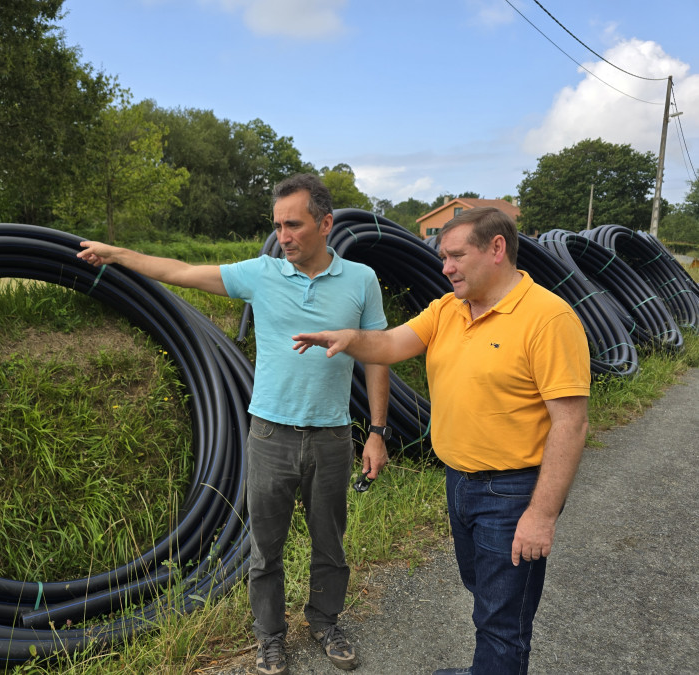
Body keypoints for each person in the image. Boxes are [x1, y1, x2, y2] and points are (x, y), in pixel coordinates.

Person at [77, 173, 391, 674]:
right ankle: (270, 637)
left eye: (294, 225)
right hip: (270, 436)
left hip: (333, 436)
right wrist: (118, 254)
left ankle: (326, 622)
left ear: (326, 223)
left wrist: (376, 432)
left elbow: (379, 357)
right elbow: (180, 271)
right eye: (277, 226)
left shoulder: (361, 281)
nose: (283, 236)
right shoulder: (261, 274)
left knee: (330, 544)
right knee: (265, 549)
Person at [293, 207, 590, 675]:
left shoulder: (548, 318)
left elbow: (571, 424)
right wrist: (348, 337)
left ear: (496, 250)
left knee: (503, 619)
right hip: (460, 482)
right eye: (442, 257)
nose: (445, 266)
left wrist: (542, 514)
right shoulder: (448, 310)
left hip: (513, 493)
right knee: (485, 595)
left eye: (455, 256)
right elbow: (389, 345)